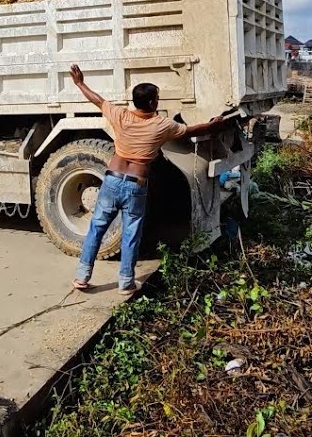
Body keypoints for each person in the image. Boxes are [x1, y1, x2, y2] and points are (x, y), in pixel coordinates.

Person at [68, 64, 230, 295]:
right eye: (158, 98)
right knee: (131, 233)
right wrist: (214, 125)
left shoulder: (120, 116)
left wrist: (80, 83)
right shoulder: (162, 125)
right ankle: (125, 283)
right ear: (153, 103)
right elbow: (193, 131)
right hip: (136, 185)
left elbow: (98, 100)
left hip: (111, 182)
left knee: (97, 228)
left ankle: (82, 277)